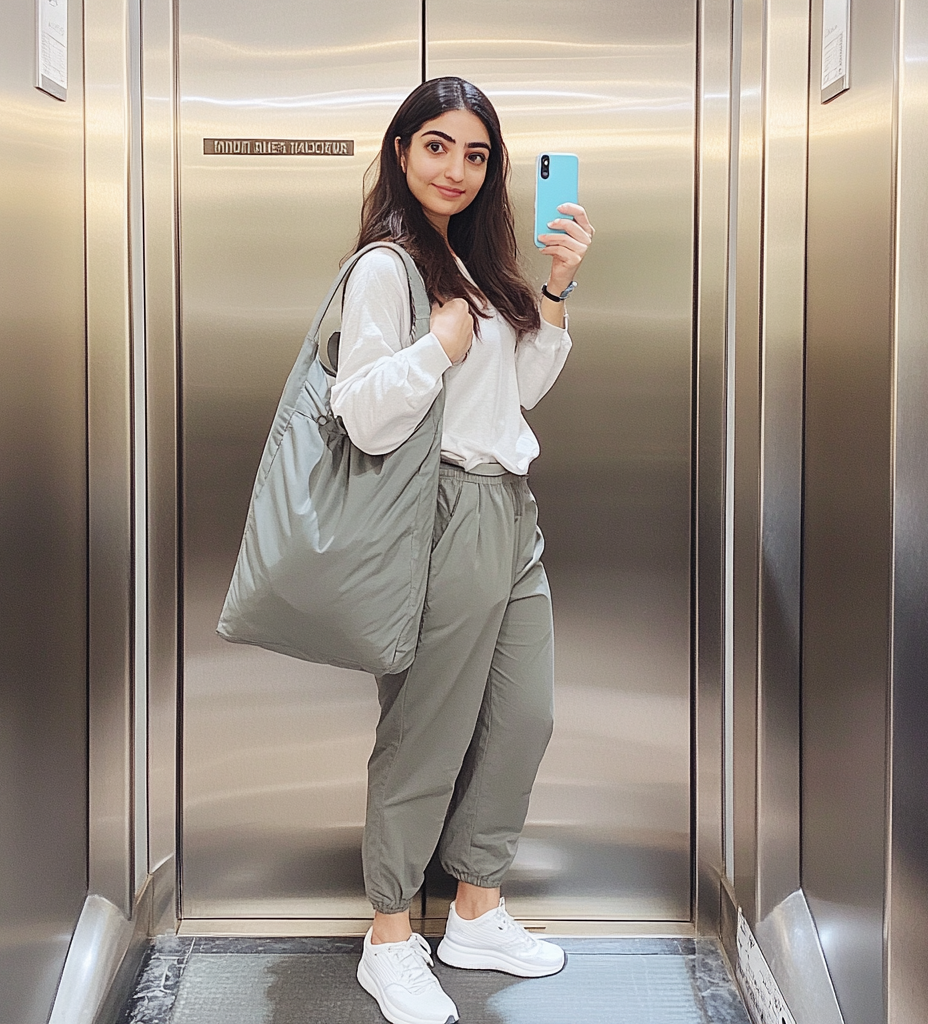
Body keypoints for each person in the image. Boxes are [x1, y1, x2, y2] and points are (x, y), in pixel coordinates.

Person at [330, 77, 594, 1024]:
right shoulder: (388, 268)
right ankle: (390, 936)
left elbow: (517, 393)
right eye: (437, 146)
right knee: (424, 735)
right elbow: (359, 411)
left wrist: (554, 289)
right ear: (402, 151)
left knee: (525, 717)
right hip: (438, 516)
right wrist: (436, 349)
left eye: (476, 154)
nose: (456, 168)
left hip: (508, 514)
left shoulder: (471, 263)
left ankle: (476, 908)